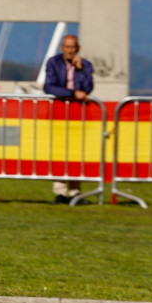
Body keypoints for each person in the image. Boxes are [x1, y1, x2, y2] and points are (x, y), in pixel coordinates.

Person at [42, 34, 94, 203]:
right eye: (67, 47)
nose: (70, 50)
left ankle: (75, 192)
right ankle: (60, 192)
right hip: (58, 113)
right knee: (59, 151)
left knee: (76, 152)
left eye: (73, 47)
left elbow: (88, 88)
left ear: (77, 48)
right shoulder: (53, 63)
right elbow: (49, 86)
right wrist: (72, 93)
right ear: (61, 48)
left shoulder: (85, 65)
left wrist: (79, 70)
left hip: (78, 115)